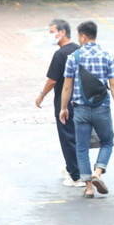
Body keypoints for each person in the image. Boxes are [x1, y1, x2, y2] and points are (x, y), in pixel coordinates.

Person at [59, 21, 114, 199]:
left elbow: (67, 87)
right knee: (107, 142)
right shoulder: (107, 56)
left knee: (81, 148)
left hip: (80, 109)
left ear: (82, 36)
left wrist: (63, 108)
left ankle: (88, 187)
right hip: (102, 108)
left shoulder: (73, 57)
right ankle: (98, 172)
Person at [36, 19, 81, 187]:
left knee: (67, 139)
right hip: (80, 101)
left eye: (52, 32)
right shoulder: (79, 50)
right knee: (79, 138)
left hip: (65, 104)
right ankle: (74, 167)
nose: (50, 36)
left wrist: (41, 95)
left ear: (62, 32)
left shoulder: (60, 55)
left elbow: (52, 80)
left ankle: (76, 175)